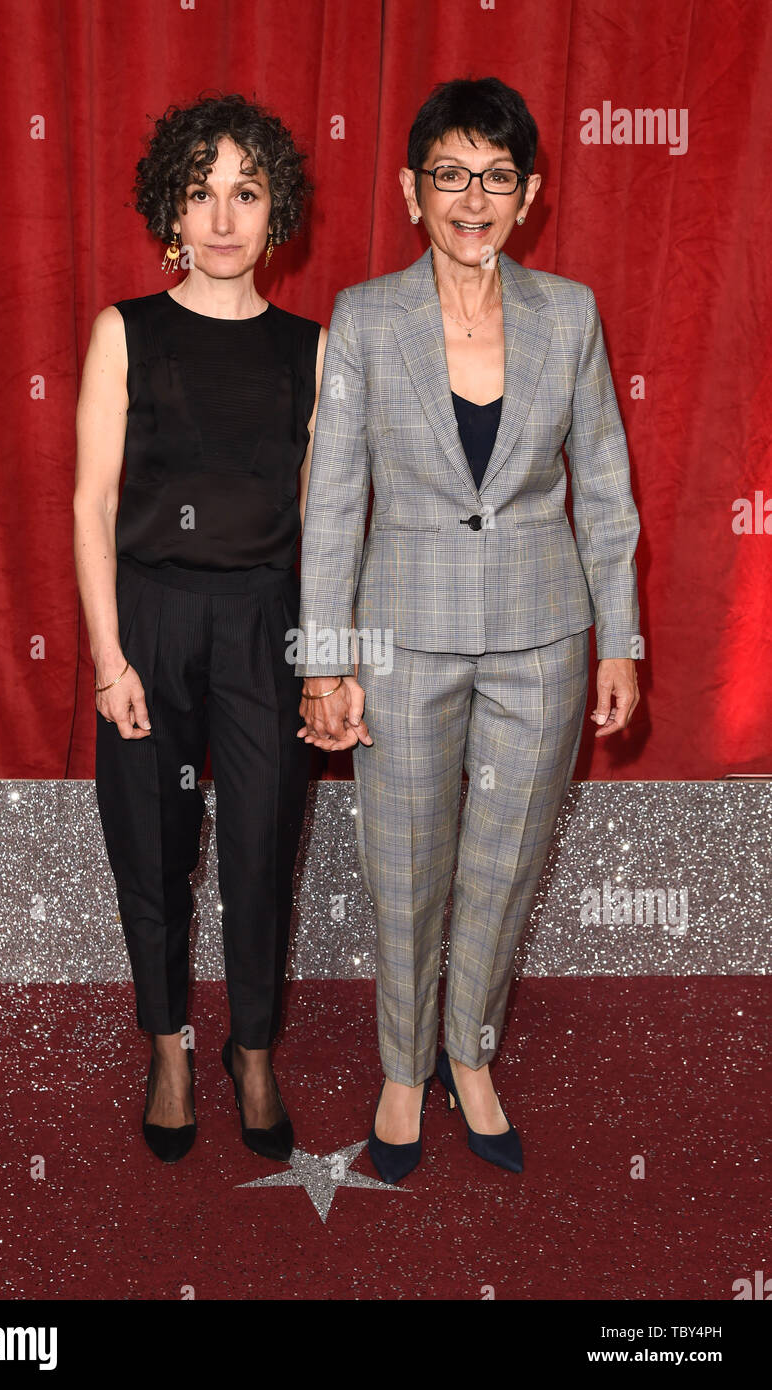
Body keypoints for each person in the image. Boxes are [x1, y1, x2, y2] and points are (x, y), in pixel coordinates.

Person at [296, 76, 641, 1183]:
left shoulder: (570, 313)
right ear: (410, 191)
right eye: (449, 174)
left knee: (499, 867)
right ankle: (403, 1069)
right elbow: (332, 500)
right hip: (398, 636)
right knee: (401, 866)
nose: (471, 196)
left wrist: (620, 638)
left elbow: (601, 479)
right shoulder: (361, 318)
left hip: (541, 638)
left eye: (494, 175)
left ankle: (470, 1054)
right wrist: (324, 662)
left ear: (528, 193)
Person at [73, 93, 326, 1164]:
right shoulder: (124, 330)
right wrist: (106, 661)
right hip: (150, 618)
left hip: (268, 622)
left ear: (277, 214)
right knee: (153, 847)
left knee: (265, 845)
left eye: (246, 191)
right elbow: (89, 502)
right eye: (200, 190)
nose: (222, 216)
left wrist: (331, 666)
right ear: (170, 208)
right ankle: (170, 1042)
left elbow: (330, 525)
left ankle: (252, 1048)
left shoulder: (313, 350)